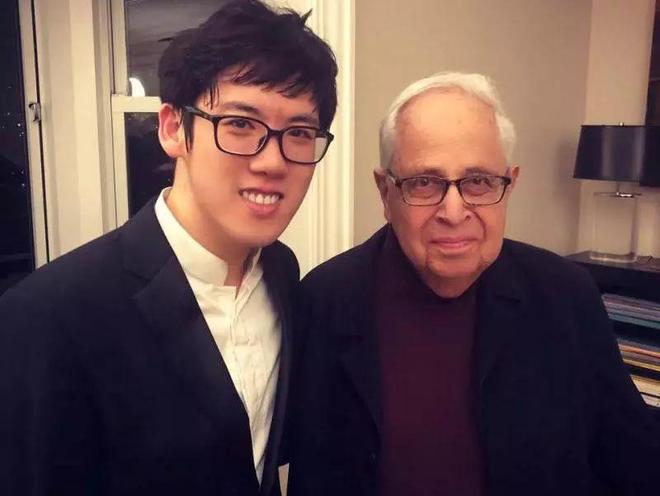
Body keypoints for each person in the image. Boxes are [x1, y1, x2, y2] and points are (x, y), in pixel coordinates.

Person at [0, 1, 337, 494]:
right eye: (240, 124)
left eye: (300, 133)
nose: (272, 161)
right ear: (174, 128)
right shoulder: (49, 316)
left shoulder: (282, 273)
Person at [287, 72, 659, 495]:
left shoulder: (565, 294)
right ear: (386, 192)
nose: (453, 211)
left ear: (509, 185)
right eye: (424, 182)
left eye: (478, 181)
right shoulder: (324, 300)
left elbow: (634, 460)